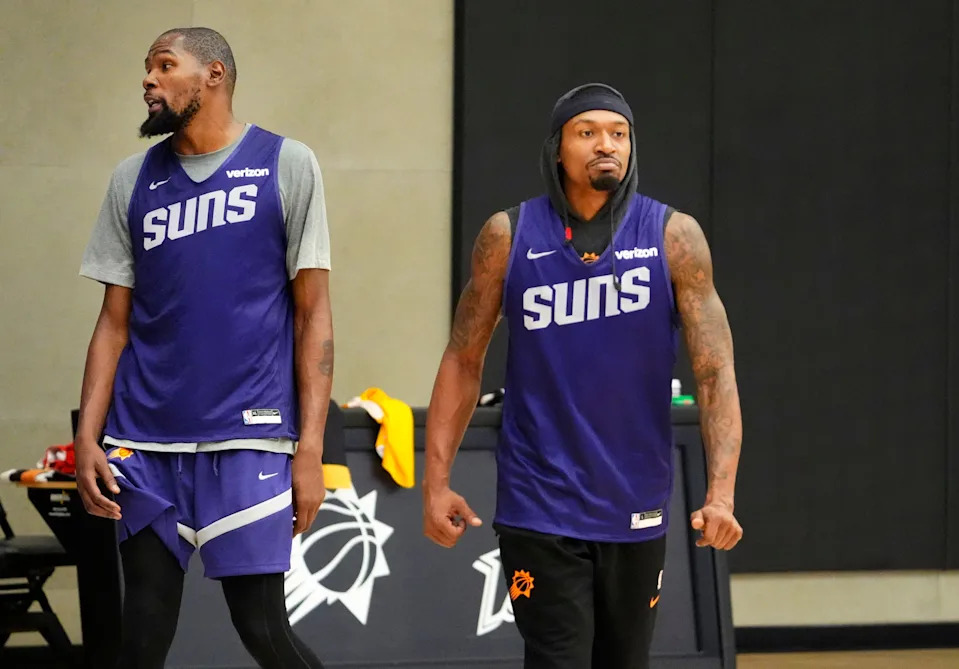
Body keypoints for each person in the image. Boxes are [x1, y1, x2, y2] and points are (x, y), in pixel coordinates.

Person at [423, 83, 744, 668]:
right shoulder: (509, 235)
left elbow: (715, 372)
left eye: (618, 134)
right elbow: (463, 358)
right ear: (557, 150)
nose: (607, 145)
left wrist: (720, 495)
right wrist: (436, 480)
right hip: (539, 501)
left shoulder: (674, 237)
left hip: (636, 499)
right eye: (587, 132)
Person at [75, 27, 332, 669]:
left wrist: (312, 449)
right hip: (144, 443)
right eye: (146, 69)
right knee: (140, 640)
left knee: (264, 632)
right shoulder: (131, 181)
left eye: (166, 66)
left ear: (213, 74)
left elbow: (314, 314)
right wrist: (88, 439)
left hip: (249, 441)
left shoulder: (286, 163)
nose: (149, 80)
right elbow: (113, 323)